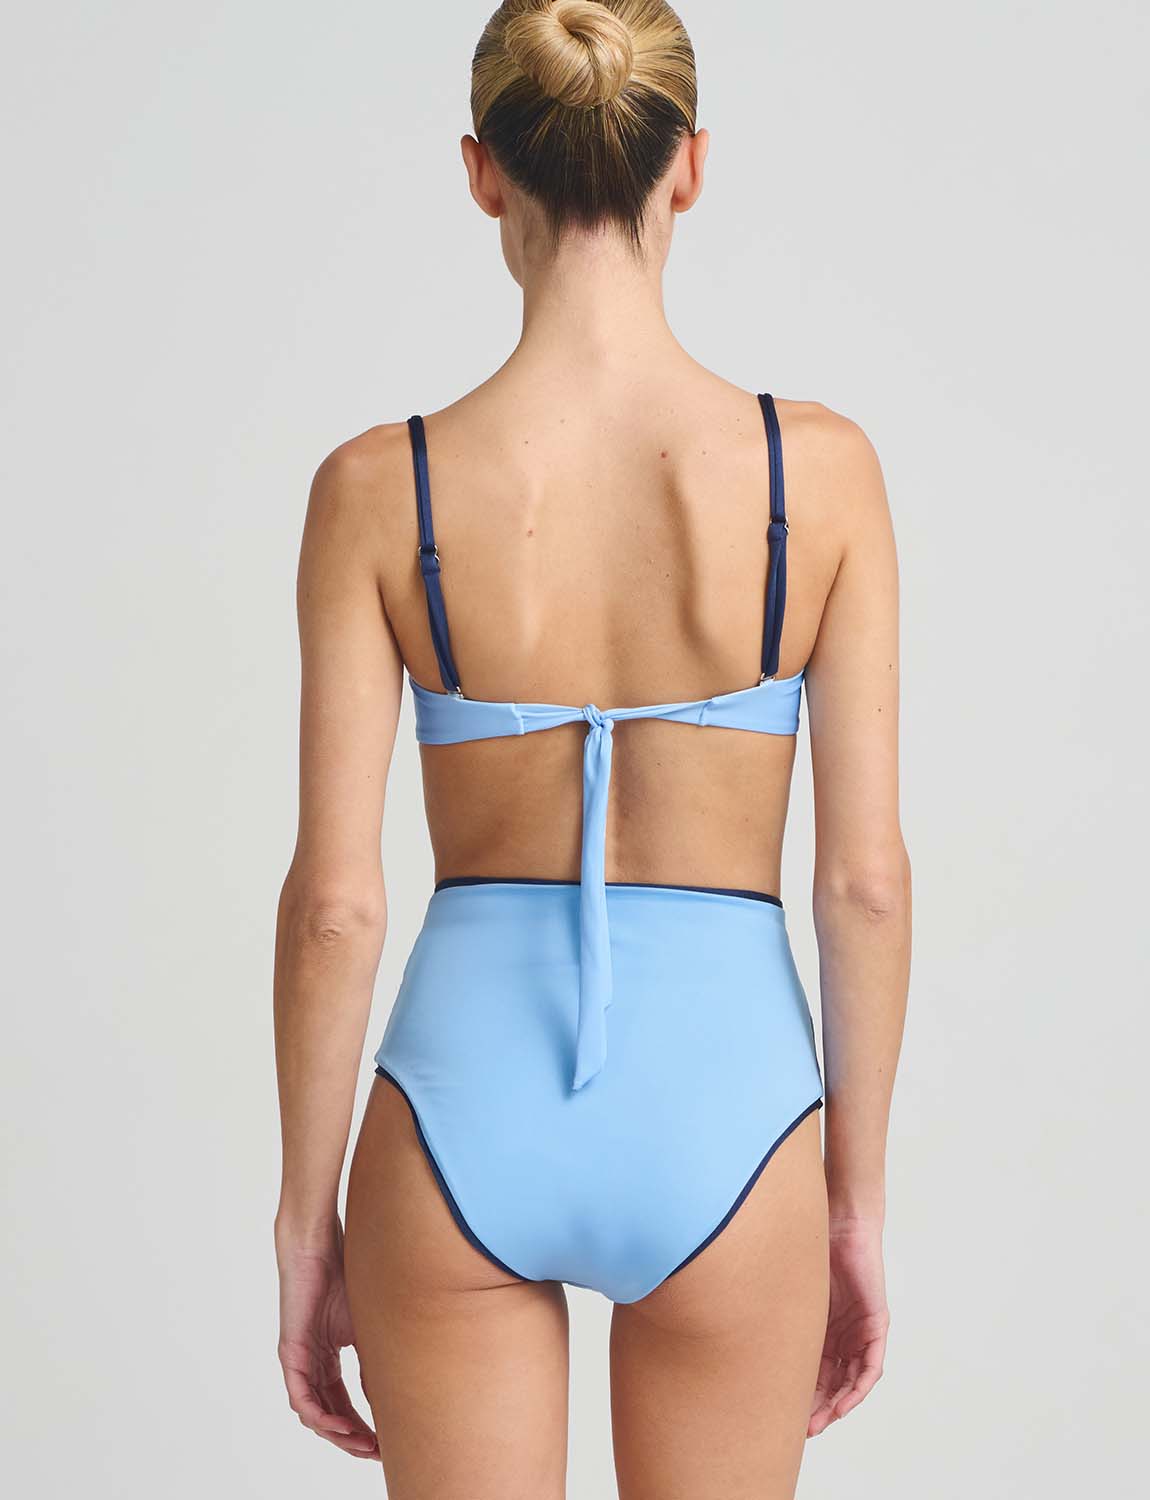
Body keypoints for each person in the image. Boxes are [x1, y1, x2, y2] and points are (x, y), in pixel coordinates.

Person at [272, 2, 911, 1495]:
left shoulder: (378, 488)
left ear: (483, 172)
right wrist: (851, 1204)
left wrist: (308, 1224)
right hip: (729, 1114)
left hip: (458, 1105)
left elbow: (336, 908)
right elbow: (864, 887)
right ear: (688, 166)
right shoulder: (818, 475)